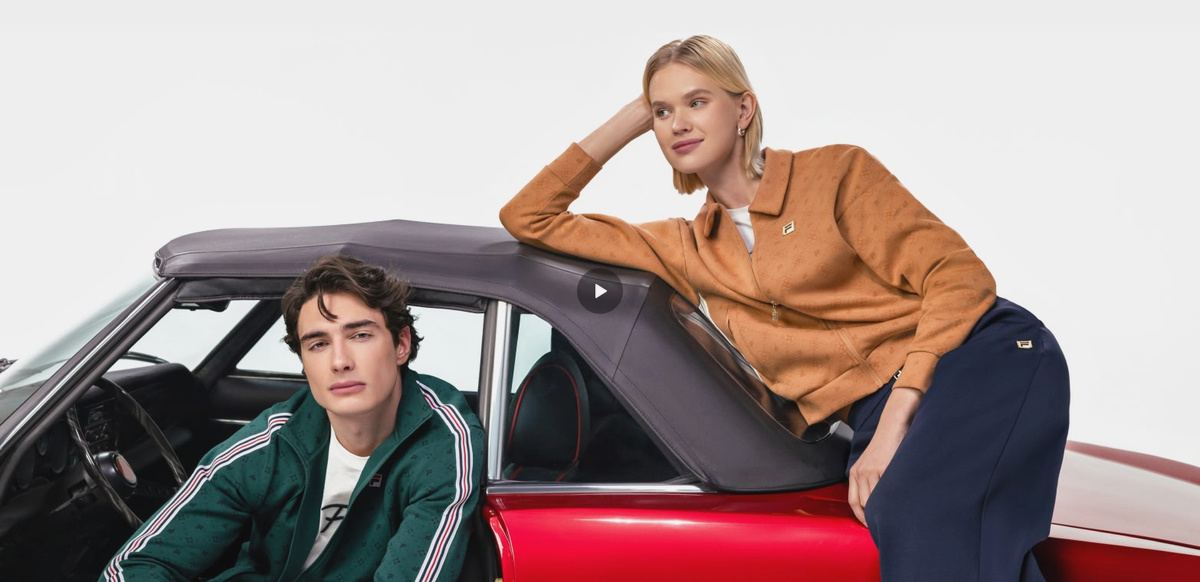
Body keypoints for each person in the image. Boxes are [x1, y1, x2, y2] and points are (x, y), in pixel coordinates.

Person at [500, 35, 1069, 582]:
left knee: (911, 508)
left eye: (697, 102)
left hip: (978, 355)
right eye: (663, 112)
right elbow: (530, 216)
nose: (677, 123)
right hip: (877, 406)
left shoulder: (835, 174)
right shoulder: (687, 247)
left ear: (743, 109)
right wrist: (631, 116)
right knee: (938, 534)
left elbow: (959, 277)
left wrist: (897, 419)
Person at [100, 254, 484, 581]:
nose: (339, 361)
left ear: (400, 344)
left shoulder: (443, 440)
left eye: (360, 335)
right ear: (303, 361)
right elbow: (131, 568)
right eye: (318, 344)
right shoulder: (274, 441)